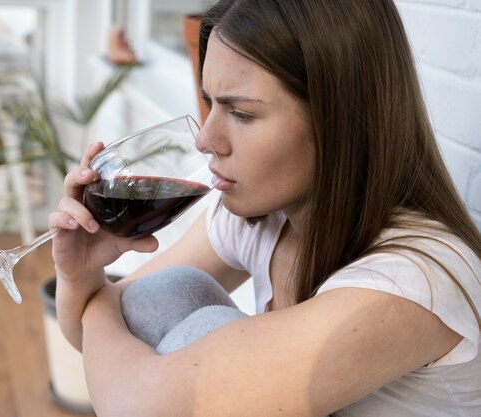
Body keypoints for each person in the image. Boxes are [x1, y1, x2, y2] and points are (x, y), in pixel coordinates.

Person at [48, 0, 481, 415]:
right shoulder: (265, 220)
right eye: (210, 103)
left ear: (338, 120)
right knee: (159, 300)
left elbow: (134, 407)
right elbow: (95, 342)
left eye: (241, 113)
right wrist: (83, 276)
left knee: (203, 337)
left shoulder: (411, 281)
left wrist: (100, 304)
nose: (205, 140)